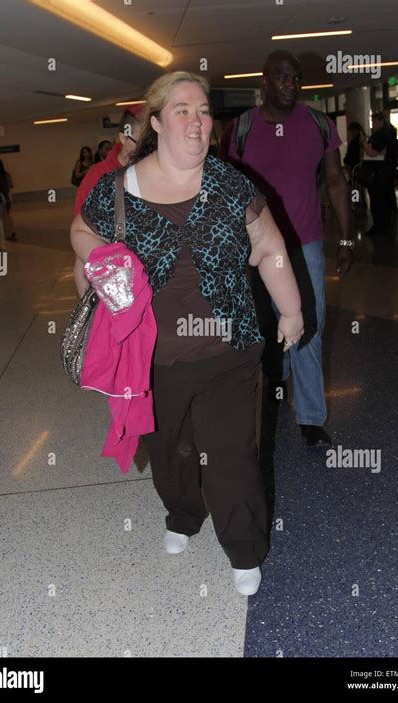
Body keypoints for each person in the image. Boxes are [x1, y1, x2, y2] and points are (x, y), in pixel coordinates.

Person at [70, 71, 304, 596]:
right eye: (182, 110)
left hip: (232, 350)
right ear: (156, 122)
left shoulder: (230, 184)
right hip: (151, 360)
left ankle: (244, 548)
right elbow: (81, 231)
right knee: (172, 453)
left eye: (203, 111)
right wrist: (97, 259)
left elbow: (269, 246)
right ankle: (183, 512)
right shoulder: (118, 191)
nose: (197, 121)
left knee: (232, 455)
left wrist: (290, 311)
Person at [220, 50, 351, 448]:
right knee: (262, 326)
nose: (291, 84)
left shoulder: (319, 123)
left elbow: (335, 180)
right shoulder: (240, 129)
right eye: (282, 77)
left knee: (309, 325)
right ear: (264, 81)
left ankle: (310, 417)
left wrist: (345, 238)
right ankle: (271, 383)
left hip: (305, 242)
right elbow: (227, 190)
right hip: (255, 246)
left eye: (295, 77)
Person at [73, 108, 143, 297]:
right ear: (123, 137)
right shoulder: (97, 175)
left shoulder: (154, 171)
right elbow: (82, 234)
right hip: (115, 275)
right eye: (141, 141)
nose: (148, 148)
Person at [362, 112, 393, 235]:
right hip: (382, 172)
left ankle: (379, 226)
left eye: (374, 122)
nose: (372, 124)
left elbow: (373, 153)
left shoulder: (381, 135)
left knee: (377, 201)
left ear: (381, 121)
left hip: (378, 173)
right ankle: (385, 224)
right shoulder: (385, 134)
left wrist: (364, 145)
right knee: (382, 200)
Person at [0, 157, 16, 241]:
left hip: (1, 197)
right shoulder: (6, 174)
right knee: (7, 215)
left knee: (4, 216)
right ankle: (12, 231)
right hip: (8, 196)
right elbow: (11, 185)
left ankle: (9, 233)